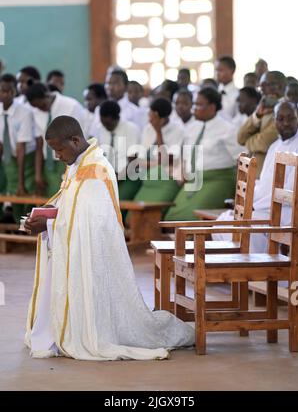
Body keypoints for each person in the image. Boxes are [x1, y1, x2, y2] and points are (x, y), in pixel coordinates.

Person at [24, 116, 194, 361]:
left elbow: (92, 220)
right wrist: (43, 217)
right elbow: (70, 206)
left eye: (59, 149)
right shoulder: (77, 166)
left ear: (75, 140)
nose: (57, 155)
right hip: (75, 244)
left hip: (95, 252)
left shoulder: (96, 169)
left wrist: (49, 224)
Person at [213, 101, 298, 253]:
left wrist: (252, 205)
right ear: (274, 121)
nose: (286, 123)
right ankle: (233, 269)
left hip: (288, 211)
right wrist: (244, 199)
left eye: (291, 118)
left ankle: (260, 271)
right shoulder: (275, 146)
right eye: (281, 118)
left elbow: (290, 191)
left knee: (247, 227)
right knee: (223, 221)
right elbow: (264, 183)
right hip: (266, 207)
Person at [164, 88, 243, 221]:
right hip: (193, 181)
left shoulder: (227, 129)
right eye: (194, 104)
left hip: (218, 180)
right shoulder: (193, 128)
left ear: (212, 107)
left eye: (199, 105)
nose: (194, 108)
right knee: (172, 218)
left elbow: (241, 159)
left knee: (190, 219)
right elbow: (186, 154)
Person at [25, 83, 84, 197]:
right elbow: (39, 143)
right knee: (51, 197)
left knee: (67, 194)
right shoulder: (36, 112)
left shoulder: (71, 106)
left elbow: (80, 140)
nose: (40, 109)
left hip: (69, 159)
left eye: (42, 105)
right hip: (48, 162)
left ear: (47, 95)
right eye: (36, 107)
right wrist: (38, 174)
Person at [0, 74, 36, 222]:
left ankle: (27, 229)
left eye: (9, 91)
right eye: (2, 90)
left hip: (26, 158)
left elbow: (21, 147)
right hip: (7, 157)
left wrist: (21, 183)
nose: (5, 95)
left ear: (15, 92)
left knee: (26, 192)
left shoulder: (24, 112)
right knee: (12, 193)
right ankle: (16, 228)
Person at [237, 71, 286, 177]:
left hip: (269, 174)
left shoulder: (288, 112)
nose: (261, 89)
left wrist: (248, 142)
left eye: (265, 85)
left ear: (280, 87)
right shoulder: (264, 107)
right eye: (260, 86)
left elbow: (263, 143)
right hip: (254, 173)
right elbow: (240, 137)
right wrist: (257, 116)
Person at [93, 100, 140, 177]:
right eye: (103, 123)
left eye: (108, 124)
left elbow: (133, 162)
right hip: (105, 174)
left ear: (117, 118)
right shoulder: (99, 128)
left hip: (128, 174)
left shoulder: (131, 129)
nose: (105, 127)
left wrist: (117, 178)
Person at [215, 56, 239, 120]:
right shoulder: (214, 92)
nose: (217, 73)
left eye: (220, 70)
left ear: (232, 71)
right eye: (216, 70)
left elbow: (238, 119)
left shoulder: (238, 95)